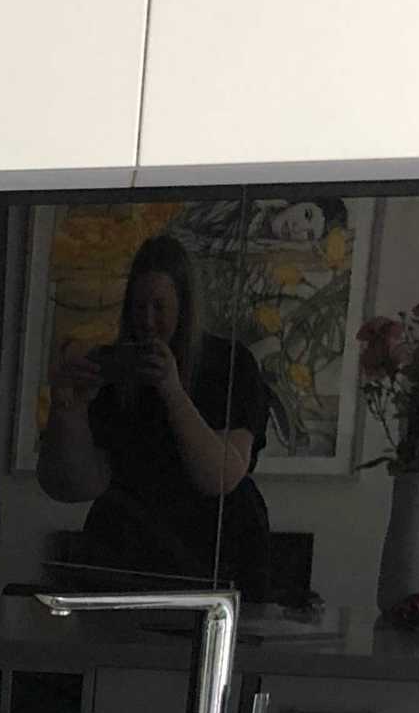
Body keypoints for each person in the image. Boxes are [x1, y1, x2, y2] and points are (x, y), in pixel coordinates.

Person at [38, 231, 278, 595]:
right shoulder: (120, 371)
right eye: (138, 307)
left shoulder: (229, 365)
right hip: (127, 553)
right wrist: (68, 408)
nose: (147, 321)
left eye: (159, 307)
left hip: (217, 554)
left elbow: (222, 476)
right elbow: (75, 485)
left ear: (184, 307)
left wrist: (172, 391)